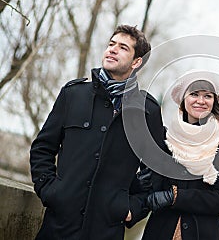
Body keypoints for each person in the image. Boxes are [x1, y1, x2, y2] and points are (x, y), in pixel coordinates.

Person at [30, 24, 166, 240]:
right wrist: (50, 190)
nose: (112, 50)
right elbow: (42, 148)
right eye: (111, 44)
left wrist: (132, 207)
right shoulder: (73, 94)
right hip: (58, 226)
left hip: (106, 230)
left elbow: (156, 170)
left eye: (123, 48)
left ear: (136, 62)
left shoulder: (148, 111)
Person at [141, 70, 219, 240]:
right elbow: (153, 185)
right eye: (194, 94)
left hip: (203, 232)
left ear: (214, 101)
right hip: (161, 230)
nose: (201, 101)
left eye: (207, 96)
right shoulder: (166, 138)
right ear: (183, 99)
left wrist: (175, 197)